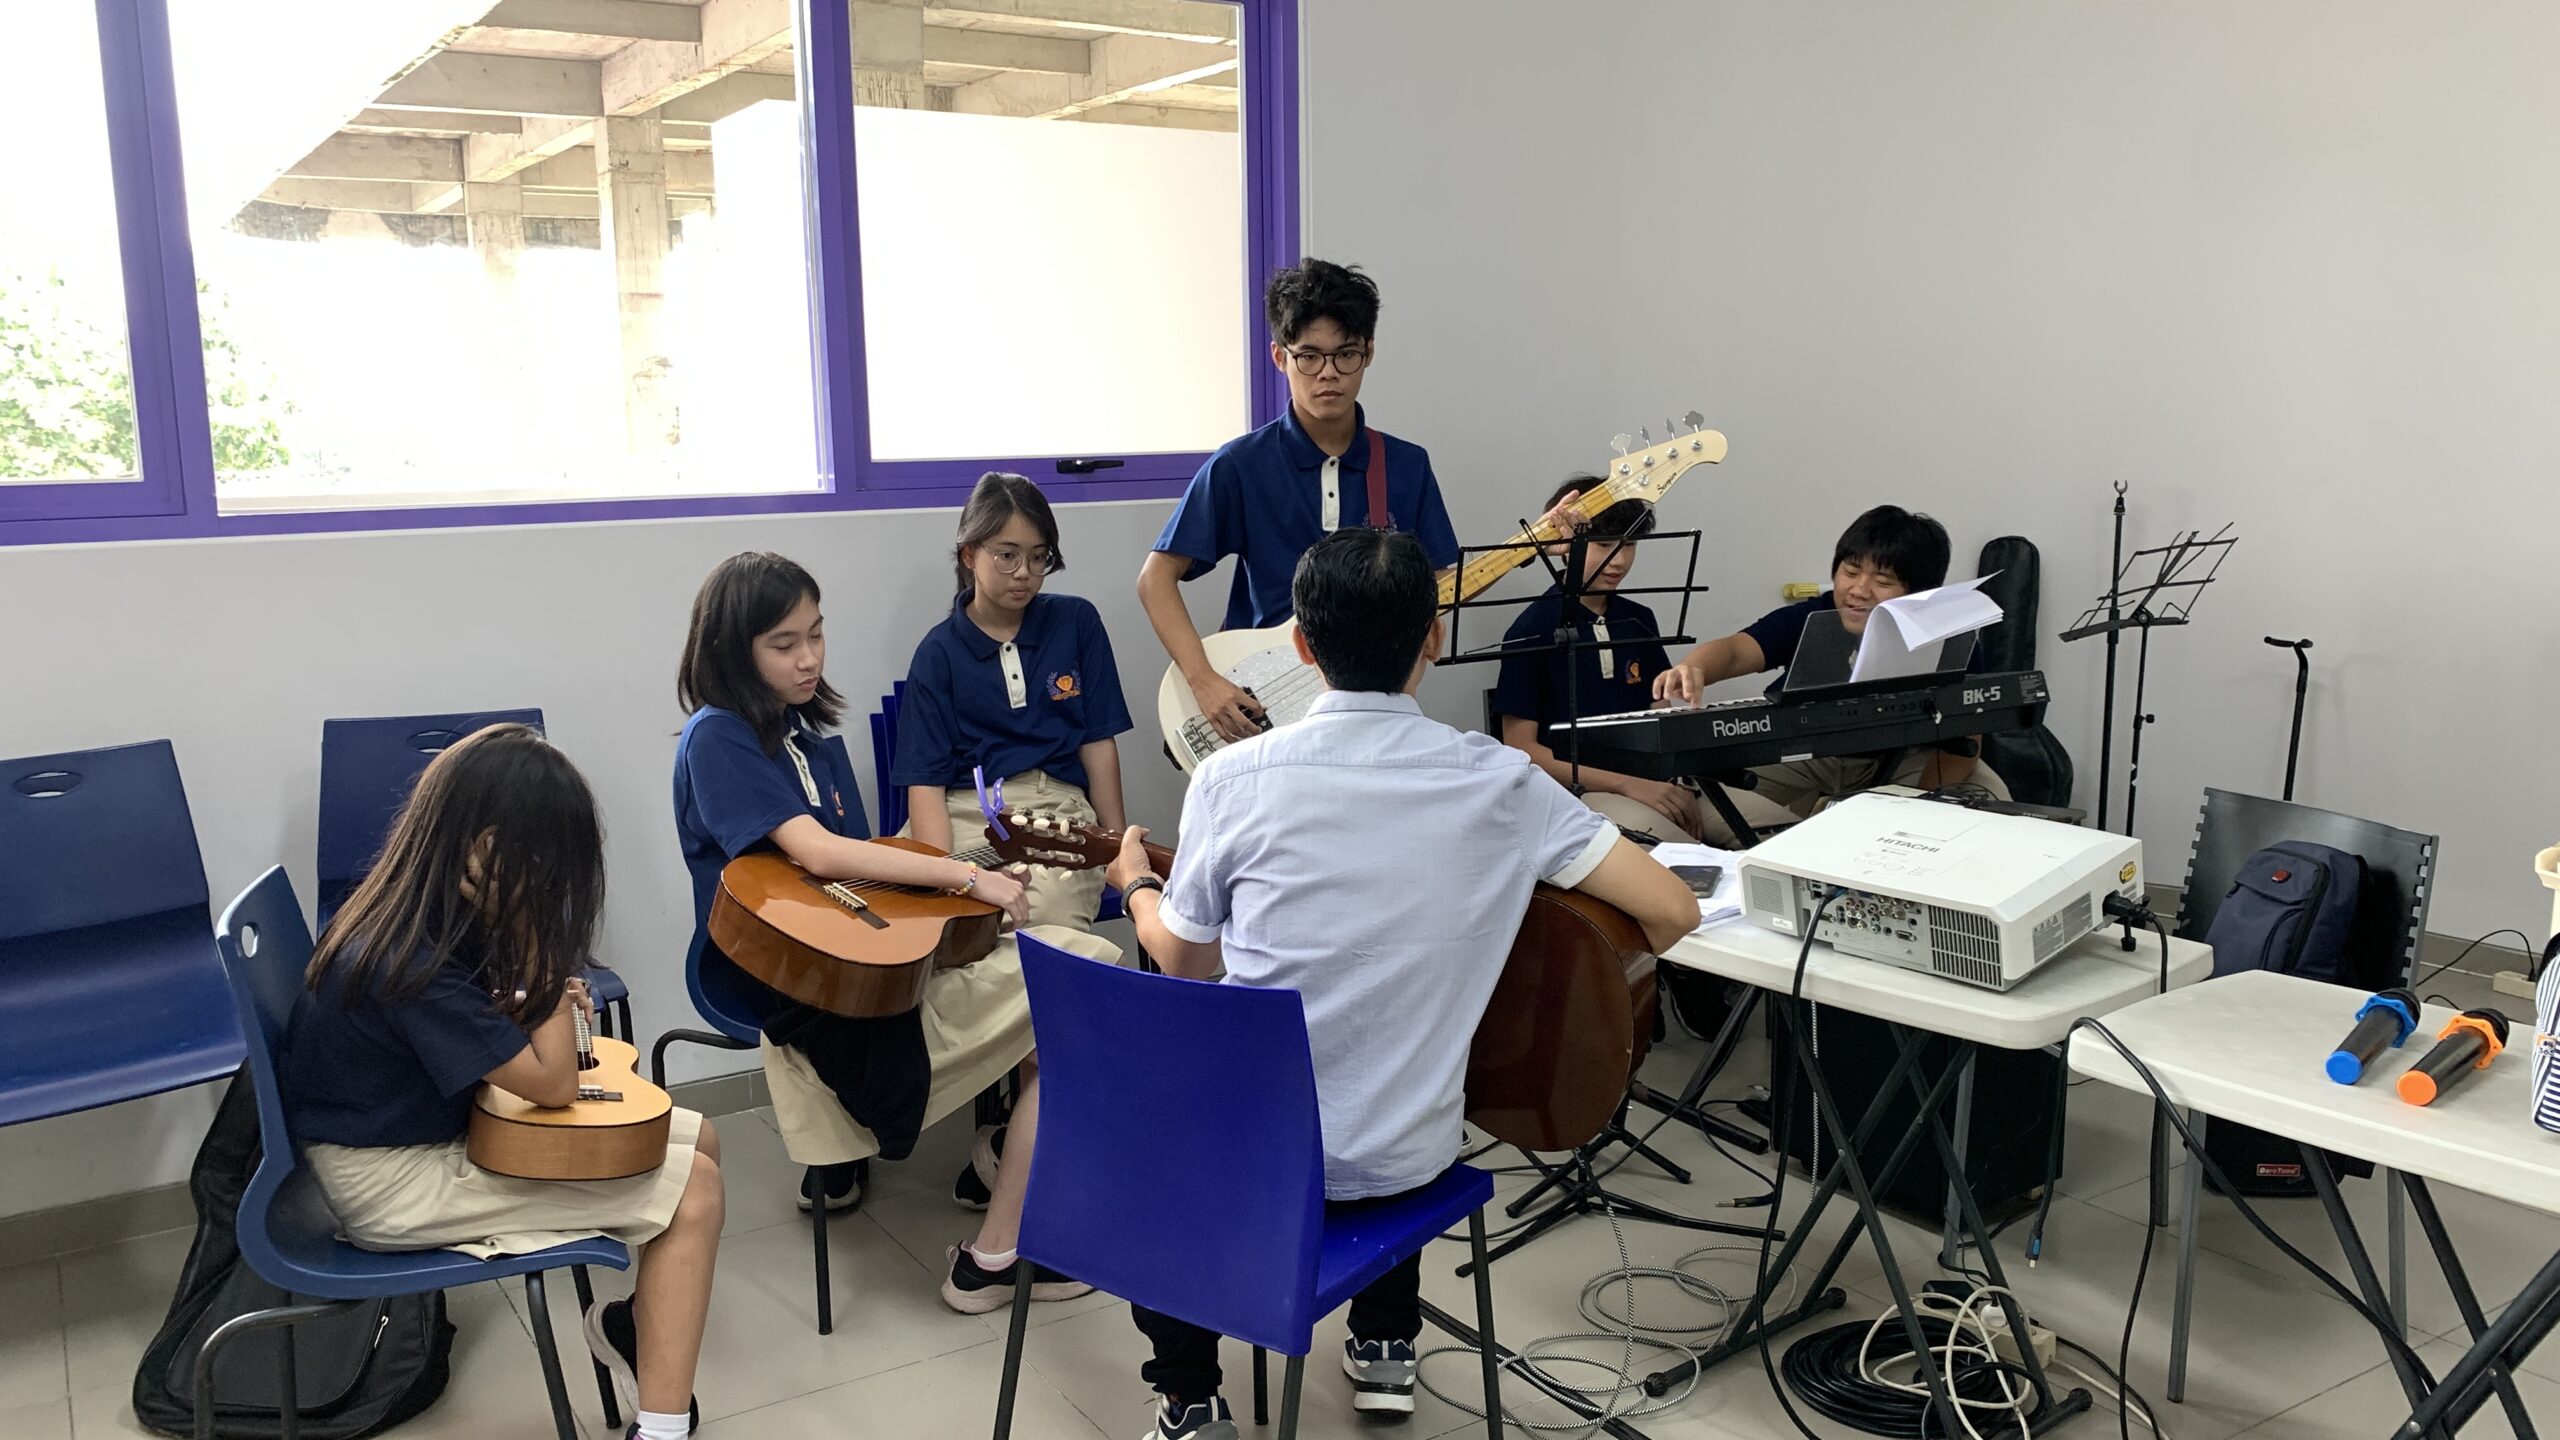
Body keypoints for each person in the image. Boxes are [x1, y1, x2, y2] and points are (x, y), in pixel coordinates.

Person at [1104, 528, 1701, 1439]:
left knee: (1152, 1129)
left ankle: (1191, 1399)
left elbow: (1188, 961)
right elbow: (1672, 912)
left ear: (1302, 646)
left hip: (1262, 1167)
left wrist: (1137, 888)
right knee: (1395, 1037)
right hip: (1411, 1158)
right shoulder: (1503, 782)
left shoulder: (1230, 779)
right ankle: (1386, 1343)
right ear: (1434, 639)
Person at [672, 551, 1118, 1312]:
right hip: (808, 988)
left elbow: (855, 880)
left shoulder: (806, 734)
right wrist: (964, 877)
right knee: (1088, 983)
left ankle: (1001, 1211)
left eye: (817, 634)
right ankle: (998, 1243)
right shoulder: (718, 735)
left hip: (854, 963)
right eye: (784, 644)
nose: (809, 658)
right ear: (730, 650)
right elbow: (819, 855)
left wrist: (965, 881)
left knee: (1075, 1000)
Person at [280, 724, 721, 1440]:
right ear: (489, 850)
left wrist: (531, 1001)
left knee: (700, 1138)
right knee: (694, 1190)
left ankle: (637, 1329)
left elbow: (474, 1029)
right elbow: (552, 1084)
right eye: (548, 872)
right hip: (388, 1184)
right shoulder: (402, 958)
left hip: (419, 1134)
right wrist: (534, 939)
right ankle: (662, 1430)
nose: (555, 890)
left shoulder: (412, 916)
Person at [1137, 258, 1460, 744]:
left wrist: (1535, 543)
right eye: (1309, 356)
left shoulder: (1405, 465)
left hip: (1372, 708)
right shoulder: (1241, 464)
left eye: (1345, 354)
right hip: (1264, 703)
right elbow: (1155, 579)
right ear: (1279, 357)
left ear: (1369, 352)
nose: (1328, 373)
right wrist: (1203, 680)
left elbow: (1441, 583)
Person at [1651, 504, 2008, 839]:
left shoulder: (1949, 635)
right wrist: (1693, 667)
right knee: (1699, 801)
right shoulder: (1814, 617)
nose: (1858, 591)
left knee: (1989, 797)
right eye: (1850, 572)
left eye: (1883, 581)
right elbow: (1736, 651)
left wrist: (1911, 813)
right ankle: (1805, 841)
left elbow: (1965, 742)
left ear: (1920, 592)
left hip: (1906, 758)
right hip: (1806, 753)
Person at [892, 473, 1130, 930]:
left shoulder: (1076, 622)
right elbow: (925, 786)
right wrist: (947, 883)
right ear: (969, 555)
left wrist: (1116, 845)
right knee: (931, 926)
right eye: (1007, 556)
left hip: (1056, 812)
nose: (1024, 572)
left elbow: (1098, 743)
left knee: (1043, 919)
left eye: (1038, 557)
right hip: (961, 813)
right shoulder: (937, 653)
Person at [1491, 474, 1695, 840]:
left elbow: (1659, 714)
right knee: (1678, 846)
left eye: (1629, 544)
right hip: (1580, 792)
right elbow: (1521, 749)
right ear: (1563, 544)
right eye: (1603, 544)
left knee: (1765, 830)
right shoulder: (1531, 628)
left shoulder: (1638, 619)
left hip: (1650, 780)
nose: (1620, 560)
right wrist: (1628, 785)